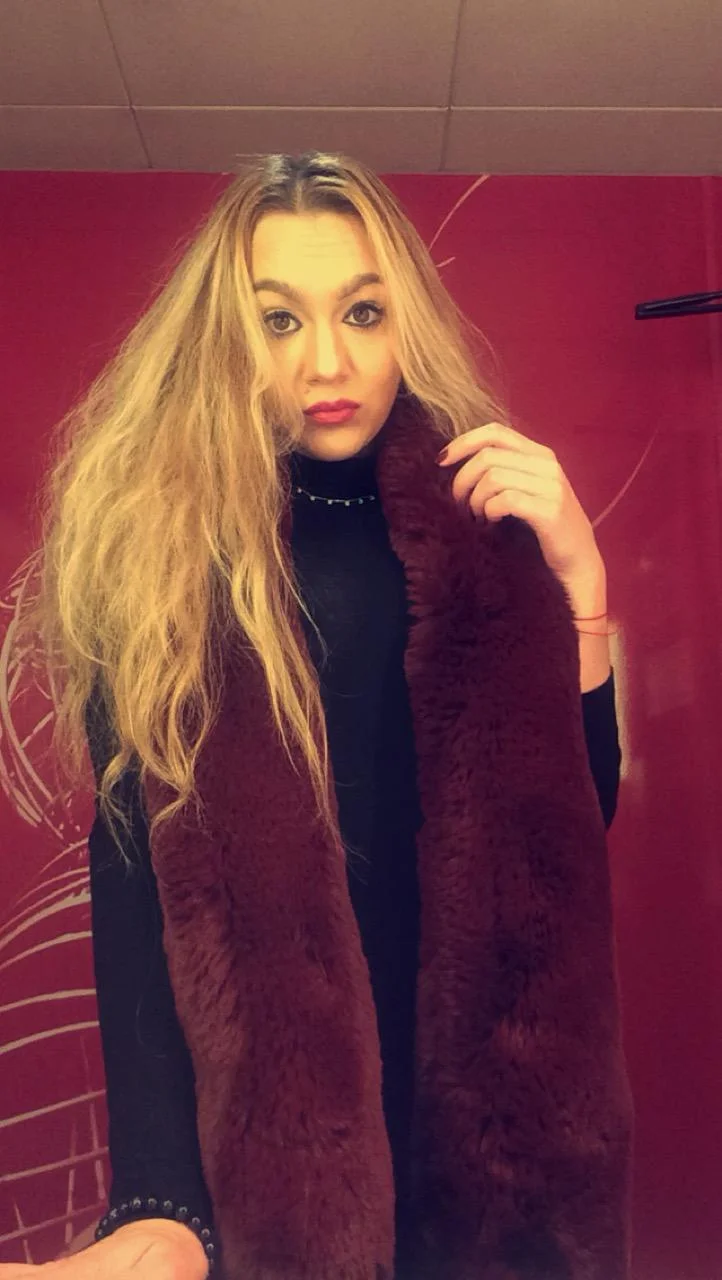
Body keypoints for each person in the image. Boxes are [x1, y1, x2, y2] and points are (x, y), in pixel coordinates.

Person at [10, 151, 633, 1280]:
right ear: (227, 337)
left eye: (361, 311)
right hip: (281, 1158)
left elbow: (569, 827)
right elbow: (138, 889)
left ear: (406, 322)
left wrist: (578, 584)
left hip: (491, 1146)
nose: (328, 362)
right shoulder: (162, 568)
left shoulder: (480, 535)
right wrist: (158, 1208)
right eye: (279, 320)